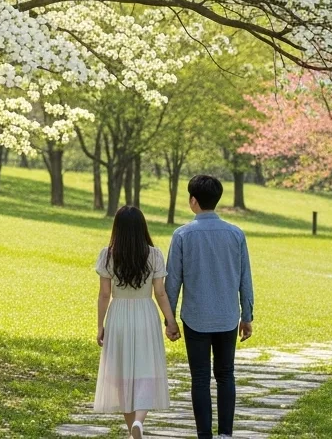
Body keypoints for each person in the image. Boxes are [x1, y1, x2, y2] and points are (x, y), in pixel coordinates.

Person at [165, 175, 255, 439]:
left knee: (201, 378)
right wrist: (246, 316)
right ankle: (226, 434)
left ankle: (204, 434)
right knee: (226, 375)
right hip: (228, 317)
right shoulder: (236, 234)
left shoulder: (182, 235)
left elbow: (173, 281)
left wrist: (169, 321)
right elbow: (244, 278)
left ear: (193, 200)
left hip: (195, 318)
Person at [94, 205, 178, 439]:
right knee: (146, 371)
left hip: (118, 315)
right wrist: (170, 322)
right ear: (142, 227)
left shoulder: (108, 255)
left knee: (122, 373)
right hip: (145, 315)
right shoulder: (154, 254)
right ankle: (138, 424)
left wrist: (100, 325)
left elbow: (104, 294)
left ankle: (133, 428)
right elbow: (160, 293)